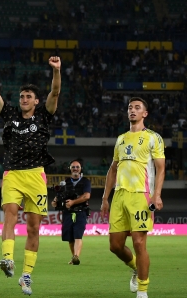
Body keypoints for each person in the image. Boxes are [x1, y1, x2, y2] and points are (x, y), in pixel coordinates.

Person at [0, 53, 61, 295]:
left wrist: (56, 70)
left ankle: (26, 276)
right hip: (12, 173)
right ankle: (7, 259)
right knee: (10, 215)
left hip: (36, 175)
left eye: (28, 97)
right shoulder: (10, 114)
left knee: (33, 228)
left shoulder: (44, 115)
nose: (24, 99)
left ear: (36, 101)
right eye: (22, 96)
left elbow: (54, 93)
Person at [100, 97, 164, 298]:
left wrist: (157, 195)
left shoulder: (154, 138)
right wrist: (105, 198)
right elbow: (113, 169)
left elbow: (161, 168)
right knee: (115, 246)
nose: (133, 110)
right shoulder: (121, 139)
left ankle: (143, 291)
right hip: (119, 196)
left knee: (138, 242)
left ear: (145, 114)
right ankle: (136, 267)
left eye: (137, 108)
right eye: (130, 108)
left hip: (141, 196)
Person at [51, 158, 91, 265]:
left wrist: (73, 202)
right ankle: (74, 257)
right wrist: (55, 201)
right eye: (73, 167)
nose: (75, 169)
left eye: (77, 167)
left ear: (81, 168)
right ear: (70, 169)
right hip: (67, 212)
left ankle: (76, 256)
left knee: (78, 235)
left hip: (81, 212)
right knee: (70, 237)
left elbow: (86, 196)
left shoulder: (86, 182)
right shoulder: (65, 182)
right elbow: (59, 195)